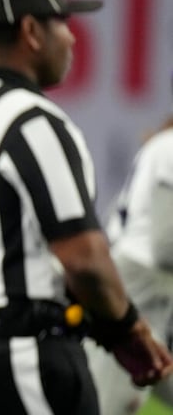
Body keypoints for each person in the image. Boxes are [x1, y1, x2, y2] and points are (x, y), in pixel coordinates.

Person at [0, 0, 173, 414]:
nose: (73, 37)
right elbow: (84, 258)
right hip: (19, 351)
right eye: (61, 22)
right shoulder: (34, 122)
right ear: (31, 32)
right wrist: (129, 334)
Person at [85, 106, 173, 414]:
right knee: (110, 406)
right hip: (139, 286)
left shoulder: (163, 144)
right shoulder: (170, 147)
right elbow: (165, 247)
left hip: (150, 288)